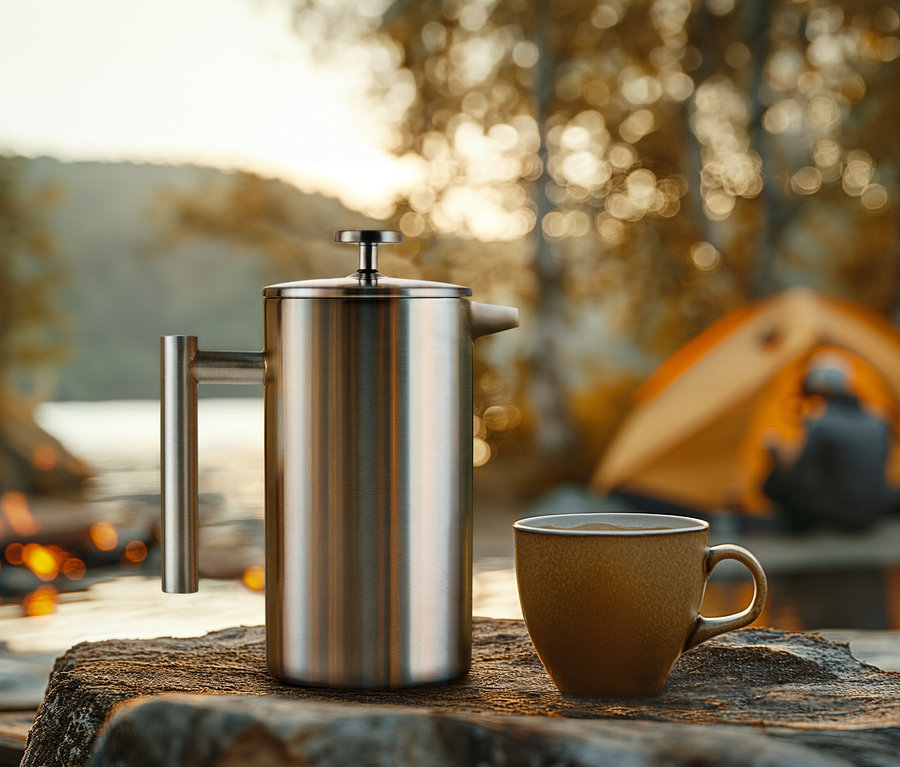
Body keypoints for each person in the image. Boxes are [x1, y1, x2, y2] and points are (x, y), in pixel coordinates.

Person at [763, 356, 899, 532]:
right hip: (873, 512)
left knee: (777, 480)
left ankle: (793, 531)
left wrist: (777, 455)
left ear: (820, 389)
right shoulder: (878, 420)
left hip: (842, 515)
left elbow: (800, 470)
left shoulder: (823, 422)